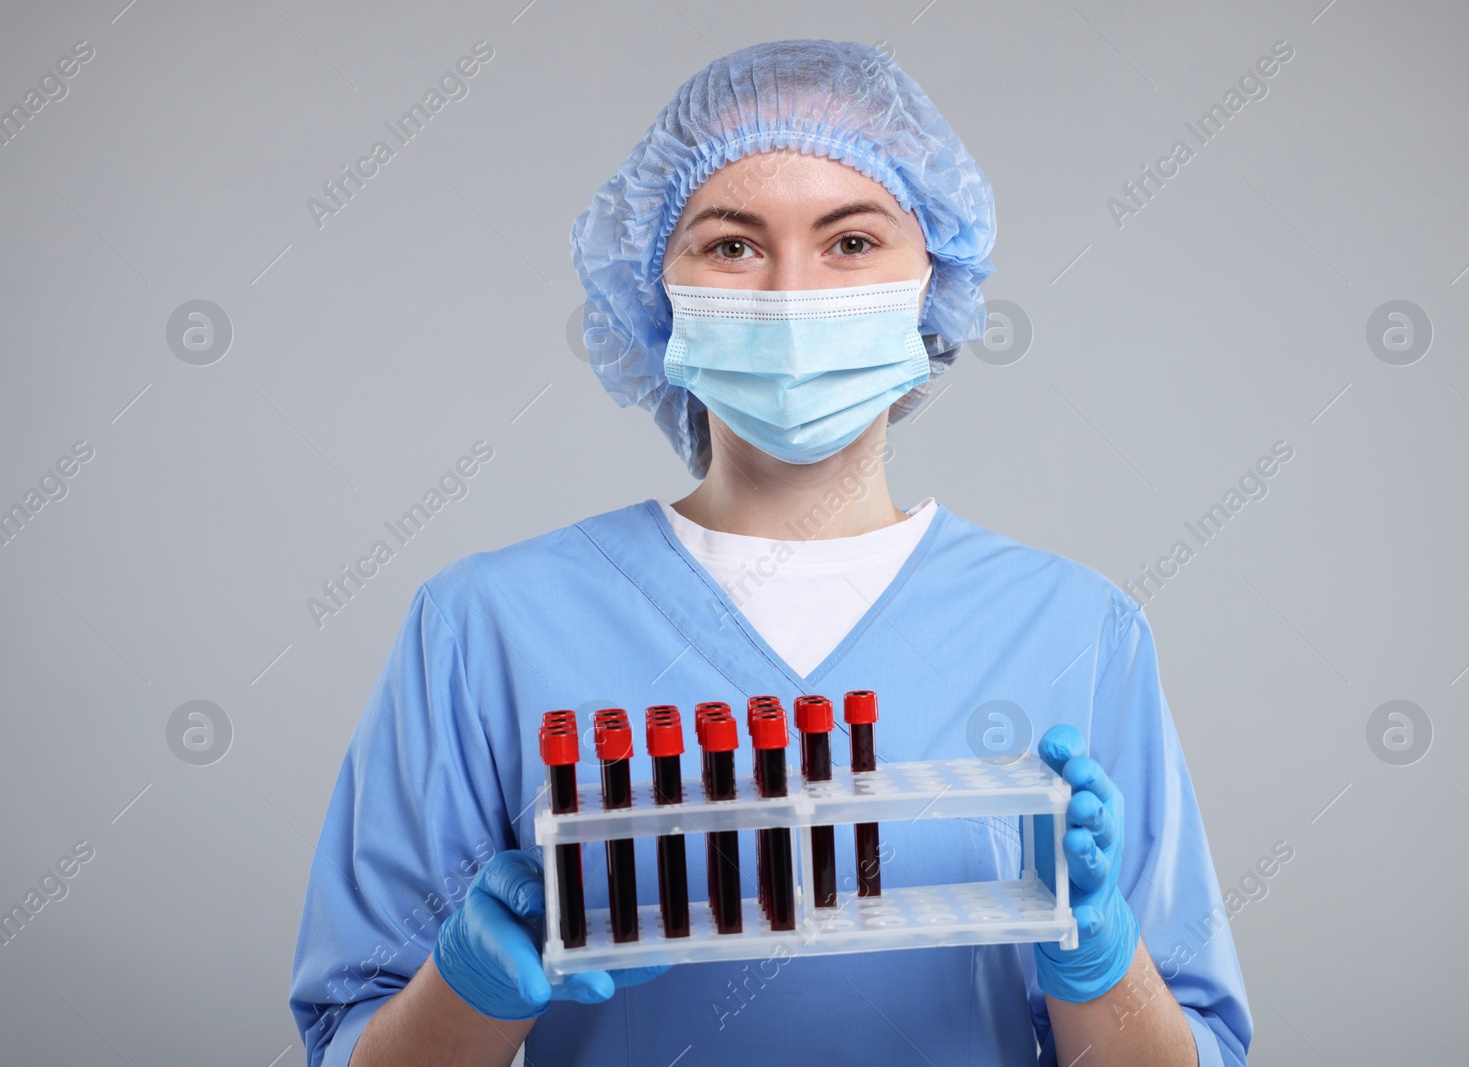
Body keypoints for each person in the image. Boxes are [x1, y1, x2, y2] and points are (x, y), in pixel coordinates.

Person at [288, 38, 1252, 1067]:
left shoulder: (1073, 628)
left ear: (932, 278)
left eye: (850, 242)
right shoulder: (486, 626)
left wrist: (1102, 967)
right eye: (733, 245)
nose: (791, 293)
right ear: (655, 286)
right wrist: (469, 990)